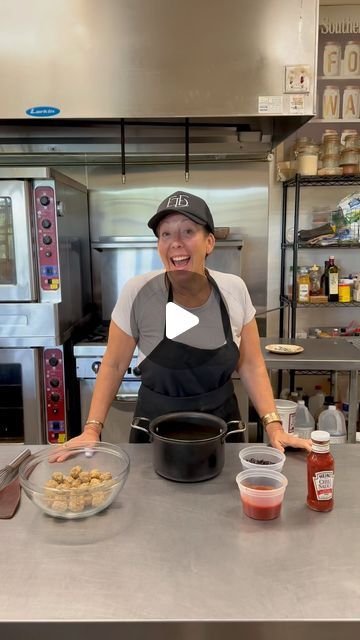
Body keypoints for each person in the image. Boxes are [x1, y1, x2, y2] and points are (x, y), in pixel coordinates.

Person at [61, 190, 311, 454]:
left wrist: (274, 426)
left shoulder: (233, 289)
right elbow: (113, 364)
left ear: (210, 242)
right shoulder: (138, 292)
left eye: (188, 232)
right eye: (165, 234)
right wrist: (91, 429)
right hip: (154, 428)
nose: (175, 243)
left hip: (222, 427)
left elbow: (251, 364)